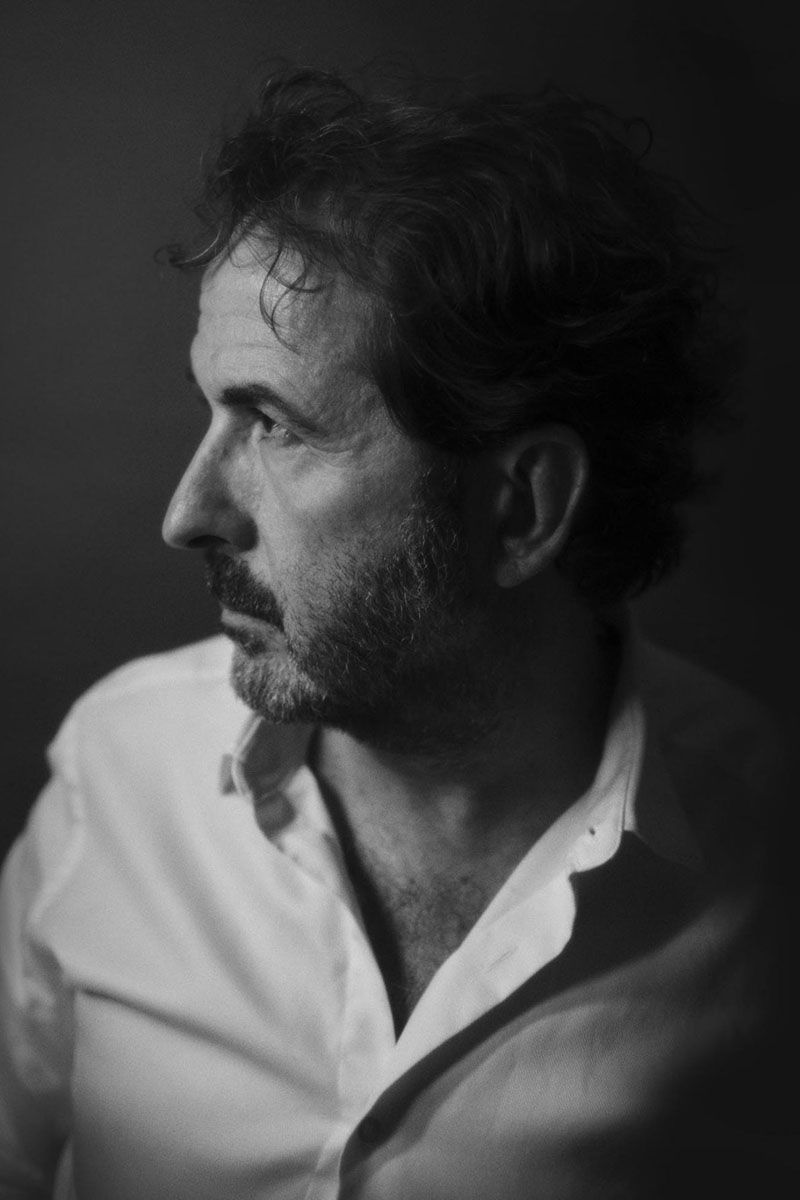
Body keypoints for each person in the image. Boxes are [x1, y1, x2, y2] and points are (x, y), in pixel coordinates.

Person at [0, 66, 787, 1199]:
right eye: (213, 409)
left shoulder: (770, 880)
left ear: (519, 508)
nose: (187, 514)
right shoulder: (116, 773)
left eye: (276, 427)